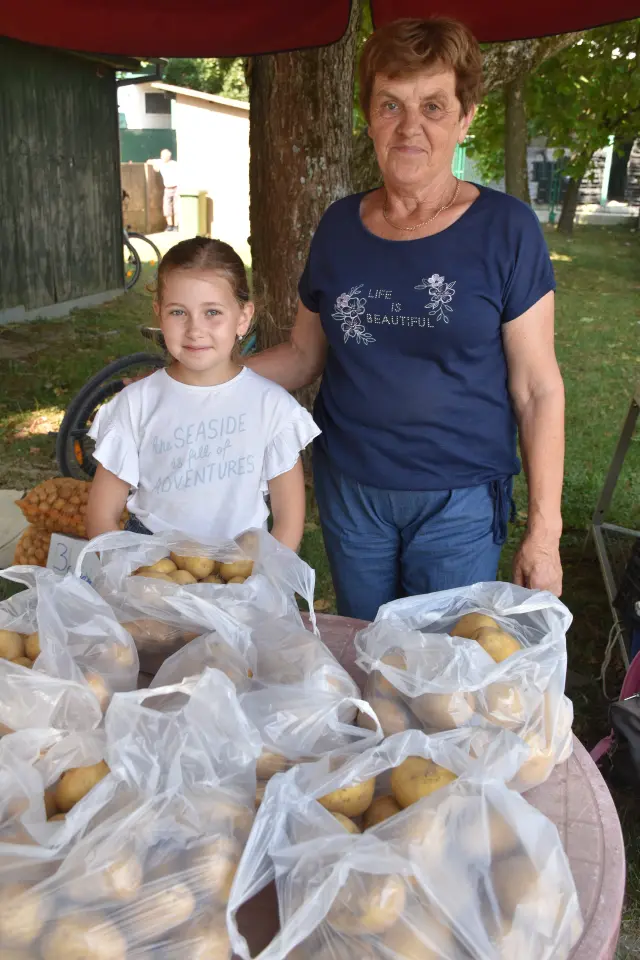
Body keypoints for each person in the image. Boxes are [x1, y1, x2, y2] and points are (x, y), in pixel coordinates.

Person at [246, 17, 565, 621]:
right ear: (369, 115)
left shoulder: (506, 229)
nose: (409, 126)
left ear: (466, 117)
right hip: (351, 493)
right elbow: (303, 355)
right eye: (390, 104)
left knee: (437, 676)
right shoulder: (338, 227)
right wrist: (202, 382)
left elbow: (537, 388)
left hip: (459, 501)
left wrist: (544, 534)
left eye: (434, 106)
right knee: (368, 655)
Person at [86, 237, 319, 550]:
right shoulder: (136, 404)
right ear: (159, 314)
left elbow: (288, 521)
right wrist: (128, 575)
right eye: (178, 312)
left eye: (212, 312)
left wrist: (265, 578)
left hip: (242, 566)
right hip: (151, 566)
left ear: (243, 317)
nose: (195, 329)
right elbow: (101, 515)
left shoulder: (271, 406)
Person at [149, 149, 180, 232]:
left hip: (176, 187)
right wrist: (154, 166)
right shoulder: (160, 162)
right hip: (167, 188)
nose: (164, 157)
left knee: (176, 207)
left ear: (169, 157)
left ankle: (176, 226)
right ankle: (170, 225)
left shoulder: (174, 164)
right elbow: (149, 161)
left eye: (166, 156)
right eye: (163, 156)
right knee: (167, 207)